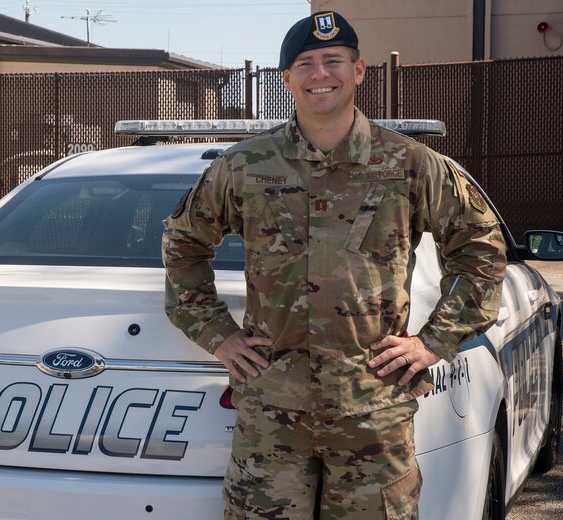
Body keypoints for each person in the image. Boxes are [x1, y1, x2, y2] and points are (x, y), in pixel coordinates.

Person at [162, 10, 506, 519]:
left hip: (372, 408)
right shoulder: (244, 166)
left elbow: (481, 247)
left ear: (359, 70)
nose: (320, 73)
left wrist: (435, 340)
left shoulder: (410, 164)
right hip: (272, 413)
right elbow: (184, 241)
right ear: (286, 79)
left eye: (333, 61)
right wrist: (217, 332)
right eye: (305, 63)